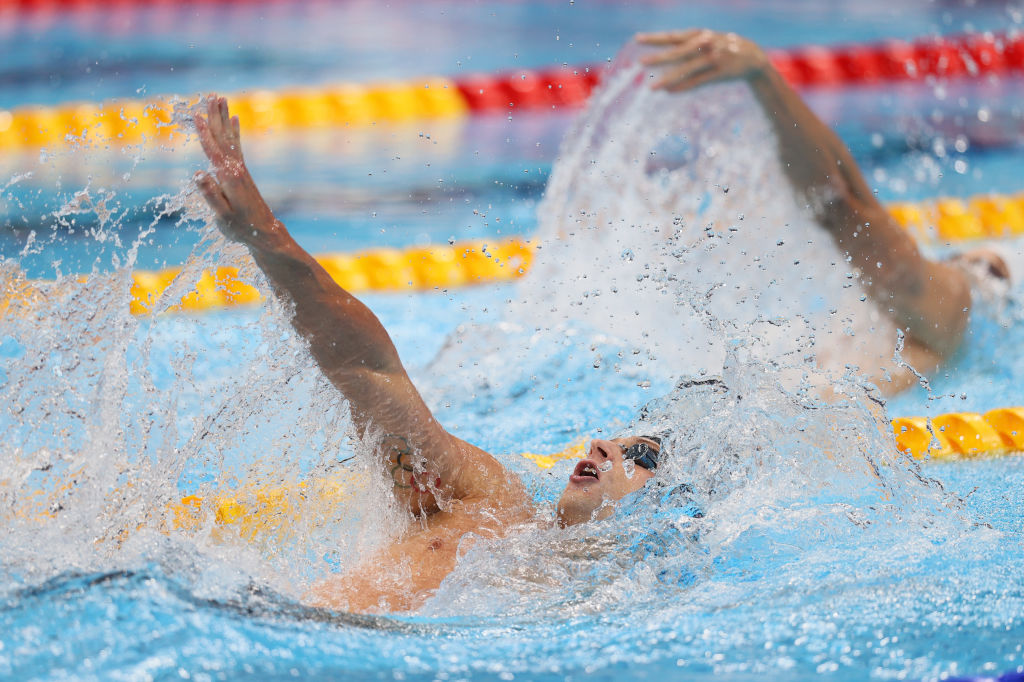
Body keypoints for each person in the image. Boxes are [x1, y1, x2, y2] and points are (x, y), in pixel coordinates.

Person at [193, 30, 1003, 613]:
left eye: (639, 454)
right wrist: (265, 235)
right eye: (623, 436)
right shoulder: (490, 501)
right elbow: (370, 371)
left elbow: (847, 210)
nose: (603, 447)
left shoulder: (943, 318)